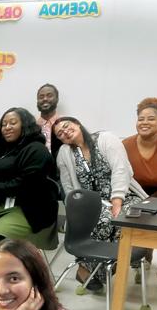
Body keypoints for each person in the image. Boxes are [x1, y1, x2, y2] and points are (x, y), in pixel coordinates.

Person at [52, 116, 147, 290]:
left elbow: (121, 169)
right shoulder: (65, 153)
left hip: (126, 195)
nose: (65, 132)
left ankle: (102, 268)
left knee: (123, 220)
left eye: (67, 126)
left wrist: (117, 200)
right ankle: (91, 269)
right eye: (59, 133)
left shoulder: (106, 139)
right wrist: (77, 209)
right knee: (100, 220)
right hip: (94, 202)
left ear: (78, 124)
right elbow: (69, 188)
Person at [0, 108, 58, 257]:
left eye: (13, 123)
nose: (7, 127)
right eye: (4, 124)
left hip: (28, 210)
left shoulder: (37, 150)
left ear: (25, 126)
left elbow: (25, 187)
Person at [122, 97, 157, 283]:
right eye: (141, 118)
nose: (145, 122)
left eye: (151, 118)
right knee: (135, 212)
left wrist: (153, 200)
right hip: (137, 192)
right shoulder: (126, 144)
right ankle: (143, 257)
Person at [35, 84, 60, 153]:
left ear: (57, 99)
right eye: (41, 97)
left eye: (49, 96)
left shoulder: (64, 125)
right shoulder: (32, 127)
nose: (45, 99)